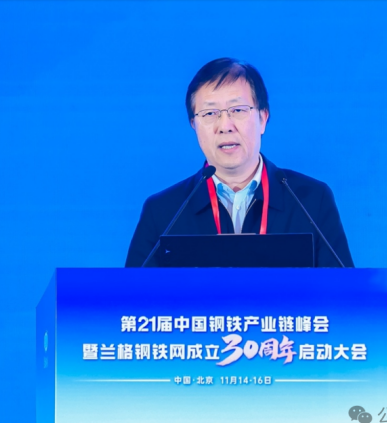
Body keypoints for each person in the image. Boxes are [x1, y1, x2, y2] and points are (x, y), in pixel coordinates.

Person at [125, 58, 354, 268]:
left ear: (263, 117)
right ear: (193, 124)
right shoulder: (163, 212)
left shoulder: (311, 201)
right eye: (209, 113)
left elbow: (346, 293)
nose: (225, 126)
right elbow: (130, 296)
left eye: (237, 110)